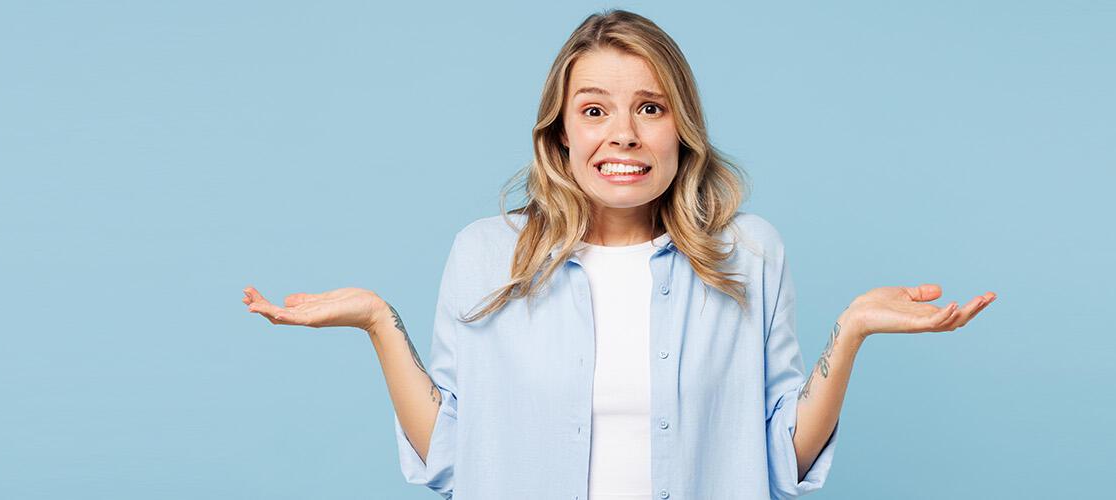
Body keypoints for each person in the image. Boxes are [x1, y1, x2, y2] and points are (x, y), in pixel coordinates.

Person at [241, 9, 995, 500]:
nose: (624, 134)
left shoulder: (750, 255)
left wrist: (852, 330)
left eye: (651, 108)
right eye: (595, 110)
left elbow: (779, 460)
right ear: (561, 133)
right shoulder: (484, 256)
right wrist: (378, 320)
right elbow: (450, 455)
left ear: (681, 128)